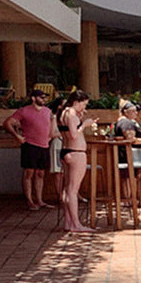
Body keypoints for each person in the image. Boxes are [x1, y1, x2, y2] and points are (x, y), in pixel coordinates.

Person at [3, 88, 55, 210]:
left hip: (44, 145)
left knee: (41, 173)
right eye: (42, 97)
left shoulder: (47, 111)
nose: (44, 99)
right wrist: (17, 136)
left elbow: (50, 126)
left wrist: (49, 137)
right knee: (29, 172)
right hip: (30, 145)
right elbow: (7, 123)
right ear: (33, 98)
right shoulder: (24, 111)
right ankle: (30, 200)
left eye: (45, 97)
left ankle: (40, 199)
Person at [57, 89, 97, 232]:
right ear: (76, 102)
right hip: (76, 152)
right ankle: (76, 224)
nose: (84, 108)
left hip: (66, 151)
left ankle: (68, 222)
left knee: (67, 189)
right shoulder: (72, 115)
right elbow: (74, 134)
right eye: (83, 104)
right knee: (73, 191)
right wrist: (84, 125)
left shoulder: (64, 113)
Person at [115, 101, 141, 204]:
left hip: (127, 155)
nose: (136, 113)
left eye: (136, 111)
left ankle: (129, 200)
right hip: (131, 156)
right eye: (133, 111)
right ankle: (139, 200)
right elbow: (130, 139)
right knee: (139, 175)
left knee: (127, 177)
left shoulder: (122, 122)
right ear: (126, 112)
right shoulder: (126, 123)